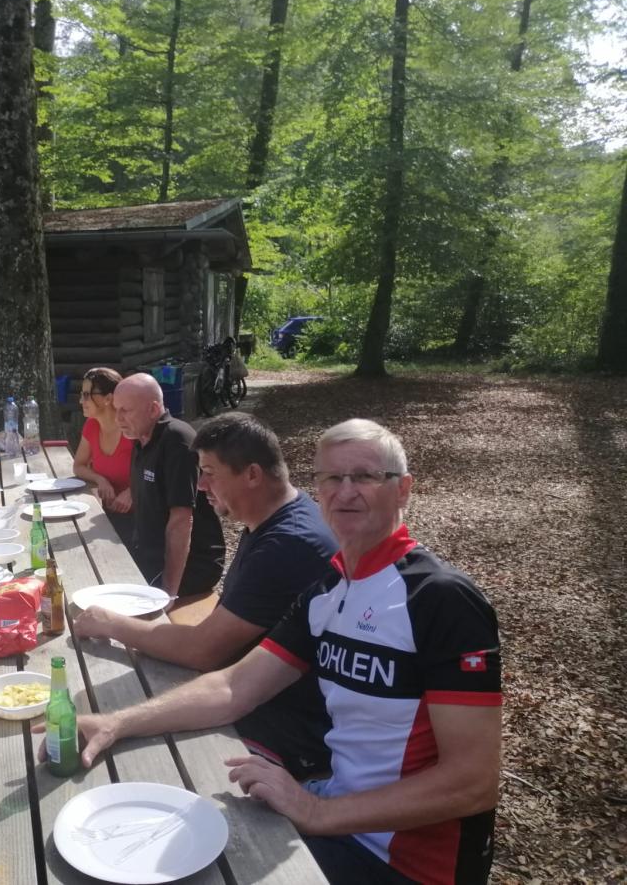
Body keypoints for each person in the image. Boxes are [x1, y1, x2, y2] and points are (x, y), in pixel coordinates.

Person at [43, 419, 502, 885]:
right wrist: (116, 723)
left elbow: (473, 782)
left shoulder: (440, 599)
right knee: (148, 831)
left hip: (405, 863)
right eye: (331, 478)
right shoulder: (329, 588)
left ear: (402, 490)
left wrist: (316, 810)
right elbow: (233, 686)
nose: (345, 492)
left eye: (365, 476)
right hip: (331, 811)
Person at [73, 411, 336, 778]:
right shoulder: (277, 518)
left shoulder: (288, 544)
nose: (200, 485)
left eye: (210, 472)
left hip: (291, 730)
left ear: (252, 474)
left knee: (132, 762)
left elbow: (203, 650)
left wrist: (110, 623)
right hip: (246, 688)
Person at [112, 373, 223, 596]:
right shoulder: (142, 438)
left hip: (191, 565)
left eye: (126, 410)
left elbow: (182, 520)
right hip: (149, 555)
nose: (117, 419)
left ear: (153, 409)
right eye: (116, 410)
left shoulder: (177, 439)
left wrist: (169, 591)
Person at [71, 367, 134, 545]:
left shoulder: (132, 428)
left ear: (108, 399)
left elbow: (157, 471)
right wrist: (100, 480)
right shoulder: (92, 425)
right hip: (106, 515)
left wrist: (134, 492)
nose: (81, 401)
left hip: (140, 520)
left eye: (86, 395)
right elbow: (78, 466)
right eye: (81, 395)